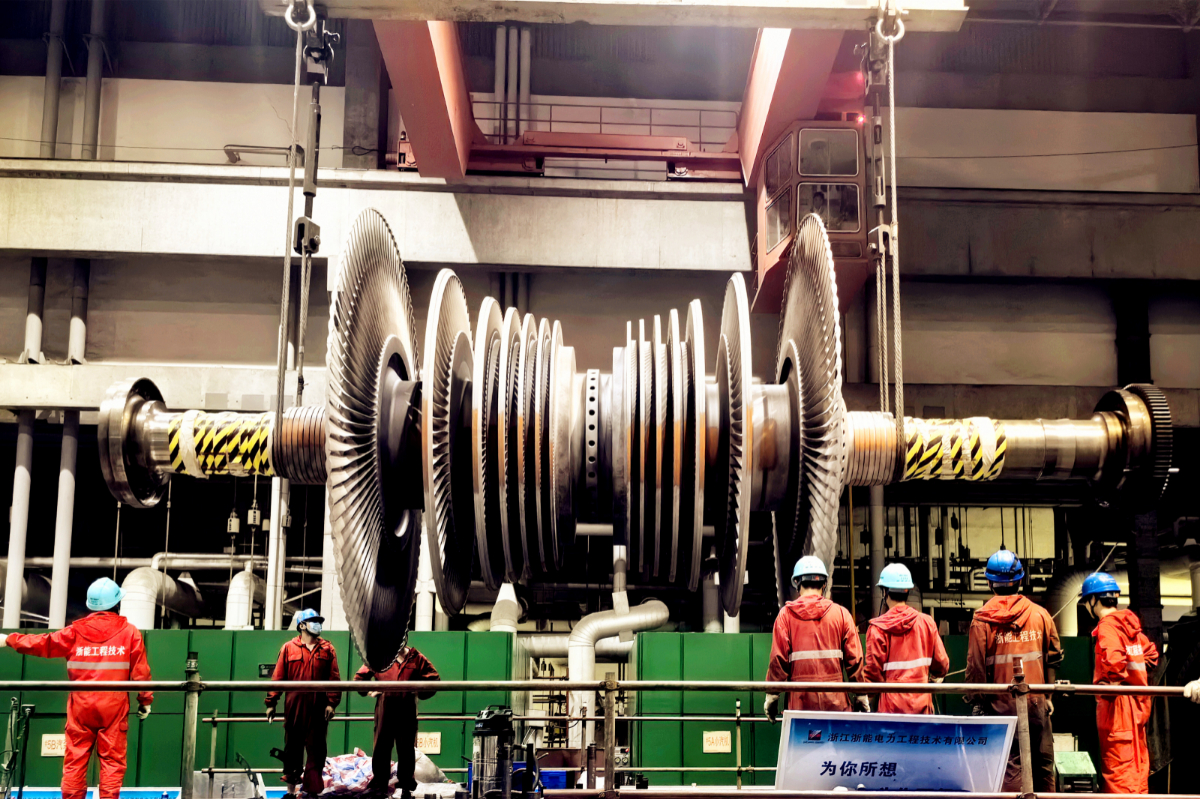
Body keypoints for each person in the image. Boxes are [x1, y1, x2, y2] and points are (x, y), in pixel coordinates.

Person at [0, 578, 152, 799]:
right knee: (112, 762)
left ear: (91, 605)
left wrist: (9, 640)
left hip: (81, 706)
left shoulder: (74, 632)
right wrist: (145, 701)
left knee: (75, 760)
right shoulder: (130, 633)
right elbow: (141, 672)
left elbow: (42, 643)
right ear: (117, 604)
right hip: (114, 707)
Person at [966, 550, 1062, 793]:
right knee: (1043, 766)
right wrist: (1048, 697)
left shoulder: (982, 620)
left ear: (989, 582)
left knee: (1010, 766)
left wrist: (977, 701)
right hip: (1037, 704)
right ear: (1020, 580)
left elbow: (976, 667)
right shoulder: (1040, 614)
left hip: (1001, 707)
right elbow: (1053, 656)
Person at [1082, 572, 1160, 794]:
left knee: (1119, 776)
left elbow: (1115, 663)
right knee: (1137, 773)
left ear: (1093, 600)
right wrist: (1134, 677)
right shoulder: (1130, 627)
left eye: (1086, 601)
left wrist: (1112, 685)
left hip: (1117, 711)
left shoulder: (1107, 626)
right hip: (1138, 708)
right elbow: (1151, 655)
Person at [764, 556, 866, 722]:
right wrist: (861, 694)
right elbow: (855, 658)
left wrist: (772, 694)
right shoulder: (842, 614)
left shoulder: (785, 616)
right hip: (836, 704)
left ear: (797, 582)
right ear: (824, 584)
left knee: (802, 739)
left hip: (800, 704)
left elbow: (778, 659)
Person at [265, 609, 341, 798]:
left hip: (318, 708)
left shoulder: (327, 649)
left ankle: (312, 793)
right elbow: (278, 677)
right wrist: (271, 702)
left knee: (316, 751)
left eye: (319, 621)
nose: (318, 624)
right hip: (295, 707)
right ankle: (291, 792)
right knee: (292, 749)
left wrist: (332, 703)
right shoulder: (288, 648)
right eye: (313, 621)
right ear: (302, 625)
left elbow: (334, 677)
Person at [353, 642, 441, 798]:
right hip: (385, 707)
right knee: (381, 747)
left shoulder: (416, 658)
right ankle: (379, 786)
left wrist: (417, 691)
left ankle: (406, 786)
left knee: (406, 748)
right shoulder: (380, 657)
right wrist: (371, 690)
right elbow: (359, 679)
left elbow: (434, 679)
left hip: (407, 708)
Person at [861, 563, 950, 714]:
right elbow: (941, 664)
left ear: (885, 592)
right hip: (921, 707)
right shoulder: (927, 623)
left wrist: (863, 696)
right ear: (907, 591)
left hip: (891, 710)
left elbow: (873, 676)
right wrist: (935, 677)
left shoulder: (878, 629)